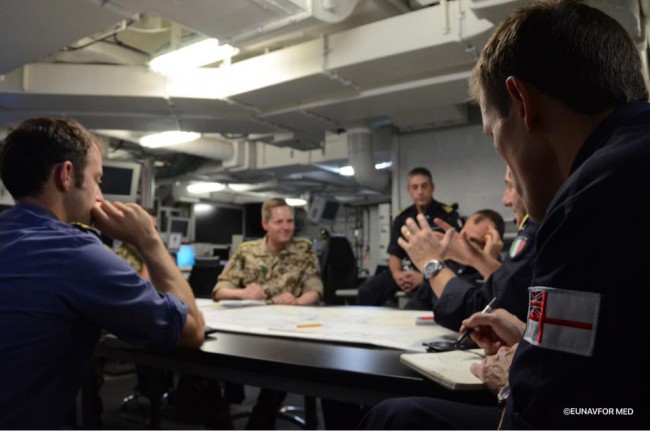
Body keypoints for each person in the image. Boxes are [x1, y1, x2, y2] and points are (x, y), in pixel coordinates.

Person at [360, 0, 650, 428]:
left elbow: (567, 416)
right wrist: (536, 344)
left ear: (523, 103)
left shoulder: (591, 195)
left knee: (396, 417)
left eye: (493, 131)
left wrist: (514, 382)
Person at [0, 117, 205, 429]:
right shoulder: (74, 251)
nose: (99, 195)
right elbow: (190, 331)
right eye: (97, 179)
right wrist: (148, 240)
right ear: (66, 175)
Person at [212, 197, 322, 429]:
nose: (286, 227)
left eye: (290, 221)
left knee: (279, 368)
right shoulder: (247, 251)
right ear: (265, 225)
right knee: (204, 364)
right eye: (279, 221)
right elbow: (220, 290)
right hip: (247, 330)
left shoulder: (303, 249)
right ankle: (219, 418)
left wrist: (299, 300)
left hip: (285, 331)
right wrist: (242, 293)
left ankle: (262, 415)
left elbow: (315, 290)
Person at [406, 167, 536, 327]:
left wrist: (431, 264)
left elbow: (484, 316)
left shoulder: (535, 232)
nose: (505, 200)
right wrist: (474, 257)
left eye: (510, 185)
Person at [357, 167, 462, 306]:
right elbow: (395, 253)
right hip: (406, 272)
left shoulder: (447, 215)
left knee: (419, 303)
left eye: (424, 186)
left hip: (436, 271)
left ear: (432, 188)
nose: (420, 191)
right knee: (366, 291)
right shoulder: (402, 217)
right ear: (409, 191)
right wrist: (397, 275)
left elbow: (455, 255)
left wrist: (425, 276)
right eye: (415, 187)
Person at [404, 208, 504, 310]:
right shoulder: (449, 263)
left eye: (473, 241)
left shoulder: (503, 277)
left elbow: (484, 311)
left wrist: (488, 261)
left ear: (493, 242)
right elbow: (417, 304)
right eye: (463, 236)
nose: (463, 244)